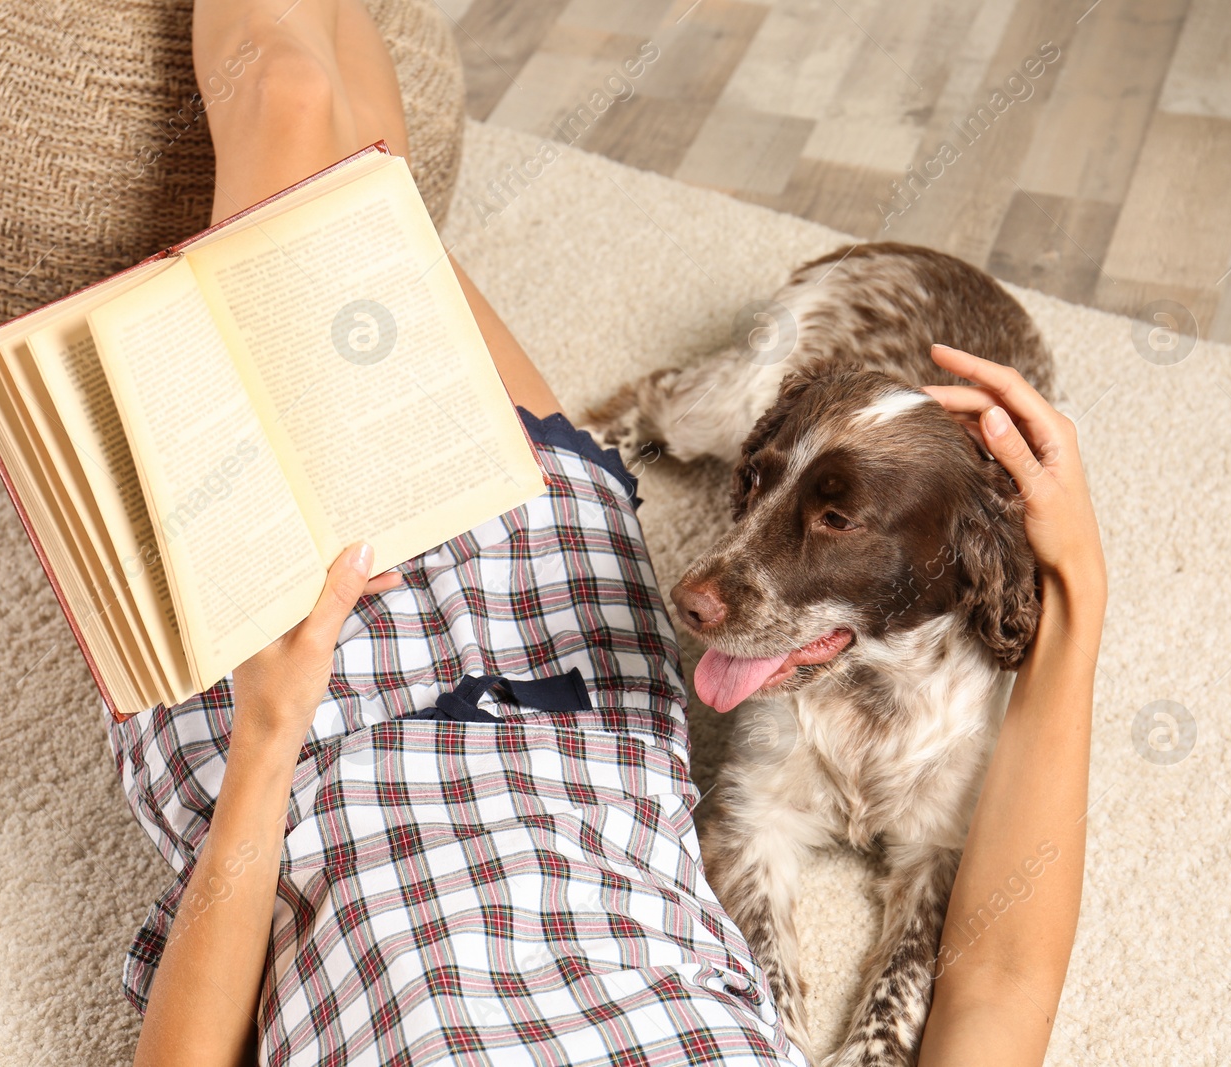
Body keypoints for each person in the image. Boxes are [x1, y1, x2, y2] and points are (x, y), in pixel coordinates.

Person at [115, 3, 1108, 1064]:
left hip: (316, 755)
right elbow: (998, 985)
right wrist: (1076, 594)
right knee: (364, 188)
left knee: (289, 112)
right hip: (585, 712)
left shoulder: (286, 740)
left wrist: (267, 740)